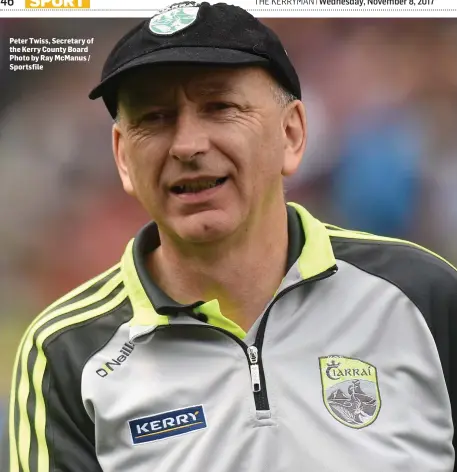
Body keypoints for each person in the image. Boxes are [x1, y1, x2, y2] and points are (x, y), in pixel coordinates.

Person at [1, 2, 456, 471]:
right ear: (122, 158)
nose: (187, 145)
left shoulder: (423, 295)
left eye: (220, 108)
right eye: (154, 118)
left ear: (292, 134)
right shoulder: (66, 353)